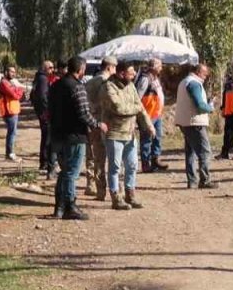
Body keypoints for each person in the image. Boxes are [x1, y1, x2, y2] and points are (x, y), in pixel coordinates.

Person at [48, 56, 107, 220]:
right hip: (74, 136)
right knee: (71, 173)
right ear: (81, 69)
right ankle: (70, 206)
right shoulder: (77, 87)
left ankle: (59, 208)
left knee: (64, 171)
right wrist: (97, 124)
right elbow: (83, 113)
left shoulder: (55, 85)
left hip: (57, 135)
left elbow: (49, 109)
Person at [101, 62, 156, 211]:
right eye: (131, 73)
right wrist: (136, 107)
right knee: (115, 168)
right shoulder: (109, 86)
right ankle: (116, 197)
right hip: (114, 134)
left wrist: (149, 126)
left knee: (132, 166)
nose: (133, 76)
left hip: (130, 134)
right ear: (121, 73)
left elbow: (140, 107)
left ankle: (130, 195)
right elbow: (119, 107)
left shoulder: (131, 85)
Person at [174, 63, 216, 189]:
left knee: (190, 152)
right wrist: (210, 107)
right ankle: (205, 180)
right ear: (198, 72)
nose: (206, 76)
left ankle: (192, 181)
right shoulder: (194, 84)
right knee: (205, 151)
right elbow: (200, 105)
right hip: (195, 122)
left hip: (184, 121)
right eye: (204, 73)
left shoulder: (184, 82)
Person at [84, 57, 118, 201]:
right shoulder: (108, 83)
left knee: (93, 156)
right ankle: (113, 189)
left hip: (91, 122)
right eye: (115, 68)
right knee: (109, 157)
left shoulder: (89, 82)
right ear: (110, 67)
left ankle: (95, 187)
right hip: (104, 123)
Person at [136, 58, 169, 173]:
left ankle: (155, 161)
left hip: (156, 114)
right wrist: (141, 114)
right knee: (146, 139)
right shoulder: (145, 79)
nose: (161, 68)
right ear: (154, 67)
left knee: (157, 138)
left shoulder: (155, 78)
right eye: (160, 66)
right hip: (147, 115)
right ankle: (146, 164)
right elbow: (138, 97)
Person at [32, 60, 55, 176]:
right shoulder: (43, 79)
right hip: (45, 114)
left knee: (45, 137)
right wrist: (47, 111)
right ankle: (44, 162)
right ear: (45, 68)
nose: (52, 70)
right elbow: (42, 97)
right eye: (50, 67)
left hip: (41, 112)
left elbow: (33, 96)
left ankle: (43, 161)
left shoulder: (38, 78)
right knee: (47, 139)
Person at [0, 65, 25, 162]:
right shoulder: (4, 83)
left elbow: (16, 94)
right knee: (12, 133)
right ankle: (9, 154)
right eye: (11, 71)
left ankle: (9, 153)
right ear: (5, 72)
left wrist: (17, 89)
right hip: (9, 111)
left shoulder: (9, 82)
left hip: (13, 110)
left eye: (14, 72)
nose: (13, 73)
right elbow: (15, 95)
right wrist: (20, 89)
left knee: (12, 132)